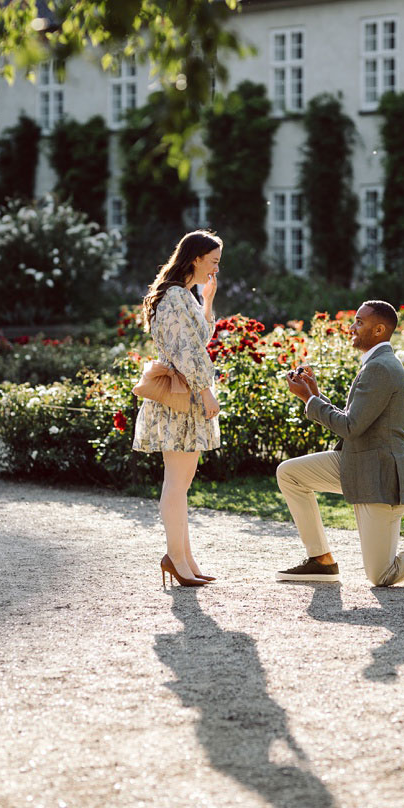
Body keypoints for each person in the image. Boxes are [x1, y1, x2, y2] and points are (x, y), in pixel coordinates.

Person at [274, 300, 404, 587]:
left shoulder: (381, 368)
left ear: (379, 329)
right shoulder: (377, 363)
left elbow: (350, 426)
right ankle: (321, 560)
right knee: (290, 473)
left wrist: (309, 401)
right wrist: (315, 394)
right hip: (358, 461)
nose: (351, 327)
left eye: (359, 322)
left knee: (381, 574)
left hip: (379, 475)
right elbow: (355, 420)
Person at [134, 230, 224, 589]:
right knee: (176, 483)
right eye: (213, 260)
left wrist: (207, 301)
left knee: (181, 484)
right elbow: (187, 350)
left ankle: (184, 558)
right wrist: (205, 392)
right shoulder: (173, 296)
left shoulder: (182, 295)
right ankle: (176, 558)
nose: (216, 268)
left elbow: (198, 337)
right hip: (181, 398)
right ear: (195, 258)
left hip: (186, 396)